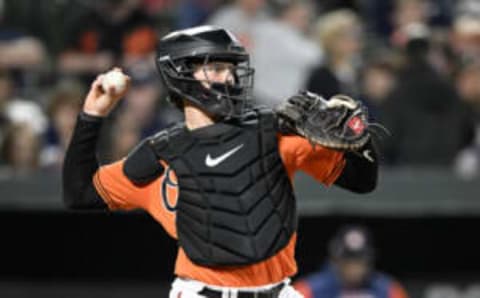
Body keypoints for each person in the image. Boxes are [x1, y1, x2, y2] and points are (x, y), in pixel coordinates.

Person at [63, 25, 378, 298]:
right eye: (215, 68)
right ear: (180, 73)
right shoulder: (162, 155)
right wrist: (93, 114)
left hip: (277, 289)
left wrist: (359, 138)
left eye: (231, 69)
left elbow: (362, 181)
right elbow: (81, 194)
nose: (228, 78)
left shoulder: (271, 134)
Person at [294, 225, 409, 298]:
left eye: (359, 261)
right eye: (348, 260)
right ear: (336, 261)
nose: (354, 267)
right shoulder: (309, 289)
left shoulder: (388, 289)